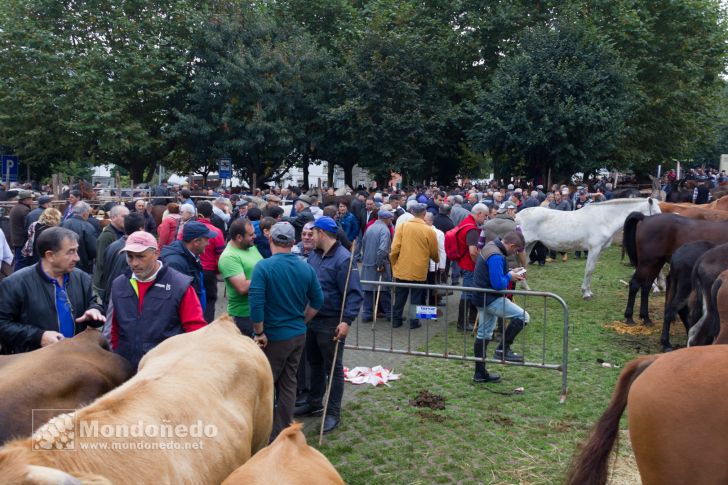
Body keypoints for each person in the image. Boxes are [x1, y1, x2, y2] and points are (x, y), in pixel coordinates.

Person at [249, 221, 323, 441]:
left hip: (273, 336)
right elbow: (318, 300)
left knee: (266, 383)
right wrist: (303, 320)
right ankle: (282, 428)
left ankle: (264, 431)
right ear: (293, 242)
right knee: (289, 381)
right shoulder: (306, 267)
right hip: (297, 333)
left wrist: (259, 331)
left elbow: (256, 303)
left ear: (271, 239)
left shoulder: (264, 267)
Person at [295, 216, 362, 434]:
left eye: (312, 233)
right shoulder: (314, 255)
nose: (309, 237)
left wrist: (347, 321)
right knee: (313, 364)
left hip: (332, 321)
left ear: (322, 233)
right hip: (311, 320)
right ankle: (314, 403)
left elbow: (354, 294)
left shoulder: (343, 259)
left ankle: (333, 412)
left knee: (333, 369)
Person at [107, 231, 207, 369]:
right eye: (130, 257)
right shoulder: (119, 284)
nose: (134, 263)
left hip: (165, 370)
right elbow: (114, 329)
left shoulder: (179, 285)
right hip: (126, 368)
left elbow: (196, 330)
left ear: (156, 253)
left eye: (141, 256)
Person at [0, 227, 105, 353]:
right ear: (50, 255)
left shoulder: (81, 277)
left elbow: (95, 301)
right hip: (33, 364)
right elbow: (3, 324)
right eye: (70, 252)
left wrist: (95, 310)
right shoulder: (16, 283)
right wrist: (38, 336)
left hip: (75, 358)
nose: (77, 258)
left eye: (76, 250)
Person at [473, 231, 530, 375]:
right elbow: (498, 284)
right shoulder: (497, 256)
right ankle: (502, 350)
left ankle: (479, 374)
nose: (515, 253)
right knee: (523, 317)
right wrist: (510, 276)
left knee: (484, 334)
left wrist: (510, 271)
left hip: (481, 296)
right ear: (511, 245)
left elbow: (493, 273)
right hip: (491, 297)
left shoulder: (491, 246)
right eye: (516, 250)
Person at [389, 203, 439, 329]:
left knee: (400, 296)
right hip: (420, 269)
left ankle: (396, 320)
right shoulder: (429, 230)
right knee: (416, 296)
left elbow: (394, 248)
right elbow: (434, 251)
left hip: (402, 267)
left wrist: (394, 262)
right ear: (424, 214)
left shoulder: (402, 227)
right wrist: (436, 260)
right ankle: (414, 322)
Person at [218, 218, 263, 335]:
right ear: (239, 237)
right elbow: (242, 287)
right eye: (251, 234)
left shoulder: (250, 247)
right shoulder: (229, 257)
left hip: (258, 311)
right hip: (243, 316)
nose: (255, 236)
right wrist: (268, 277)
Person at [160, 221, 213, 316]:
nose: (208, 243)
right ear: (196, 242)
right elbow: (174, 302)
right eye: (207, 239)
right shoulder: (175, 263)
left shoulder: (191, 254)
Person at [187, 201, 226, 322]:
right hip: (209, 271)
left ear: (198, 214)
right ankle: (207, 328)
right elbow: (220, 256)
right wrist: (217, 271)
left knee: (190, 300)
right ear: (212, 213)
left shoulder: (188, 229)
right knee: (209, 301)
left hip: (191, 268)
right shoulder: (217, 232)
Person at [454, 203, 489, 331]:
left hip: (465, 263)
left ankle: (467, 321)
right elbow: (473, 251)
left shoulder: (465, 223)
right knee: (467, 293)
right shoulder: (472, 229)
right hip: (470, 265)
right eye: (485, 216)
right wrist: (479, 265)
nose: (485, 219)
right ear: (479, 213)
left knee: (468, 292)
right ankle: (463, 323)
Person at [99, 212, 145, 307]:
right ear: (141, 229)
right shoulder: (132, 254)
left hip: (108, 296)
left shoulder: (113, 245)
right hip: (119, 301)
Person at [359, 210, 393, 322]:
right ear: (386, 219)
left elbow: (363, 245)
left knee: (368, 290)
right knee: (384, 290)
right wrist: (380, 264)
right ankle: (390, 314)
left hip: (367, 263)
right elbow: (383, 250)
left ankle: (366, 314)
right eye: (390, 219)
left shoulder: (370, 228)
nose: (391, 221)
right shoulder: (385, 230)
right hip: (379, 265)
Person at [92, 204, 129, 295]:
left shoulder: (122, 233)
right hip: (105, 284)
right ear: (113, 218)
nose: (127, 219)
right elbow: (101, 263)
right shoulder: (107, 236)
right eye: (124, 216)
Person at [61, 201, 97, 274]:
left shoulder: (63, 223)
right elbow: (93, 250)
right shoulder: (88, 227)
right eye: (88, 212)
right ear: (85, 213)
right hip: (82, 266)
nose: (88, 214)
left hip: (64, 262)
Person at [9, 190, 33, 271]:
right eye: (30, 199)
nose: (32, 201)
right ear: (25, 200)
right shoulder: (25, 210)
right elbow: (28, 226)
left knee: (18, 260)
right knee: (21, 262)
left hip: (16, 239)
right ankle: (17, 280)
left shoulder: (15, 207)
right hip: (21, 240)